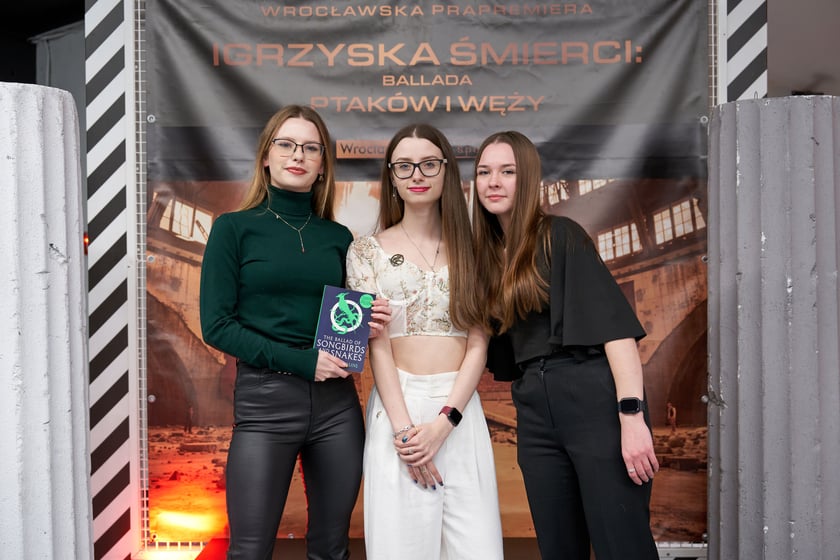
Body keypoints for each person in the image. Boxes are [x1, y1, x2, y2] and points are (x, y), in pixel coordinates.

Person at [200, 105, 388, 560]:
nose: (297, 155)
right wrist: (304, 362)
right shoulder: (234, 229)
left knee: (332, 549)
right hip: (265, 405)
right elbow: (217, 326)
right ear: (266, 157)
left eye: (310, 148)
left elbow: (341, 322)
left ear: (323, 165)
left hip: (337, 408)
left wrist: (367, 321)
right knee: (249, 550)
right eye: (285, 144)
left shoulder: (339, 238)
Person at [472, 130, 660, 560]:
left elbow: (616, 333)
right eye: (484, 172)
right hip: (534, 409)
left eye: (507, 171)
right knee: (558, 546)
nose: (493, 182)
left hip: (591, 398)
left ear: (528, 179)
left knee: (621, 544)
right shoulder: (486, 257)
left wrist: (631, 417)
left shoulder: (561, 234)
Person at [346, 124, 503, 560]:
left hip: (459, 410)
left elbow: (478, 344)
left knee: (477, 548)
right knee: (401, 548)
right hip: (398, 408)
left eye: (429, 163)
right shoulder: (365, 252)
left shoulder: (476, 250)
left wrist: (445, 422)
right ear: (392, 176)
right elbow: (377, 346)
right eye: (404, 165)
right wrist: (405, 435)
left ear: (447, 170)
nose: (417, 174)